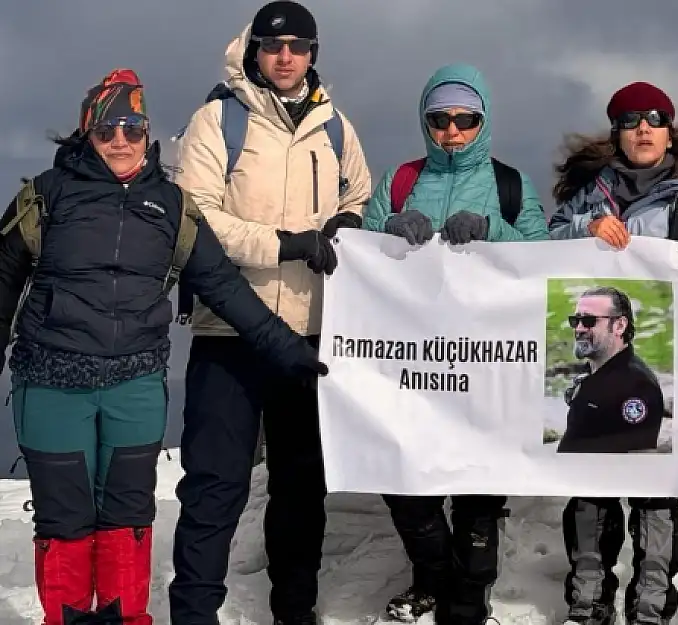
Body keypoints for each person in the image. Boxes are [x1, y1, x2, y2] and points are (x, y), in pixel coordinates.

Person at [0, 68, 327, 625]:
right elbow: (3, 281)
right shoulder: (44, 198)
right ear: (87, 133)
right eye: (107, 131)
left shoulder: (173, 207)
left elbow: (223, 285)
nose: (120, 141)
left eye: (132, 127)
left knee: (129, 515)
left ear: (147, 132)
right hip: (52, 384)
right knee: (64, 519)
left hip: (135, 387)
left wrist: (286, 348)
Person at [167, 2, 372, 624]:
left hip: (309, 334)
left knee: (300, 488)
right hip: (230, 332)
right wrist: (285, 242)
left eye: (299, 46)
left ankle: (295, 611)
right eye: (274, 45)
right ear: (254, 49)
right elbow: (195, 215)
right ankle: (195, 613)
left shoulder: (334, 125)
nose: (286, 57)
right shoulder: (217, 121)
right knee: (214, 486)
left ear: (313, 54)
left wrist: (348, 224)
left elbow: (358, 193)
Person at [547, 81, 678, 624]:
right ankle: (587, 604)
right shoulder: (590, 193)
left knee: (655, 496)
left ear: (668, 130)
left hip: (662, 371)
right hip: (592, 370)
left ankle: (650, 608)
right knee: (591, 491)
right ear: (617, 132)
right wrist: (585, 229)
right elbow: (545, 245)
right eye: (631, 119)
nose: (643, 128)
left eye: (654, 119)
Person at [361, 63, 548, 624]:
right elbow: (359, 261)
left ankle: (467, 601)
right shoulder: (398, 180)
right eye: (439, 119)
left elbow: (544, 258)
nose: (452, 131)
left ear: (483, 121)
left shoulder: (511, 184)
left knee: (478, 492)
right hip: (411, 367)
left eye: (466, 119)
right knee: (407, 484)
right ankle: (437, 580)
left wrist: (495, 230)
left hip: (487, 365)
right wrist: (389, 233)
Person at [557, 287, 666, 454]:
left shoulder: (637, 386)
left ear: (619, 326)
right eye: (575, 320)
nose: (578, 329)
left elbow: (640, 459)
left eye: (588, 321)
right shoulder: (593, 372)